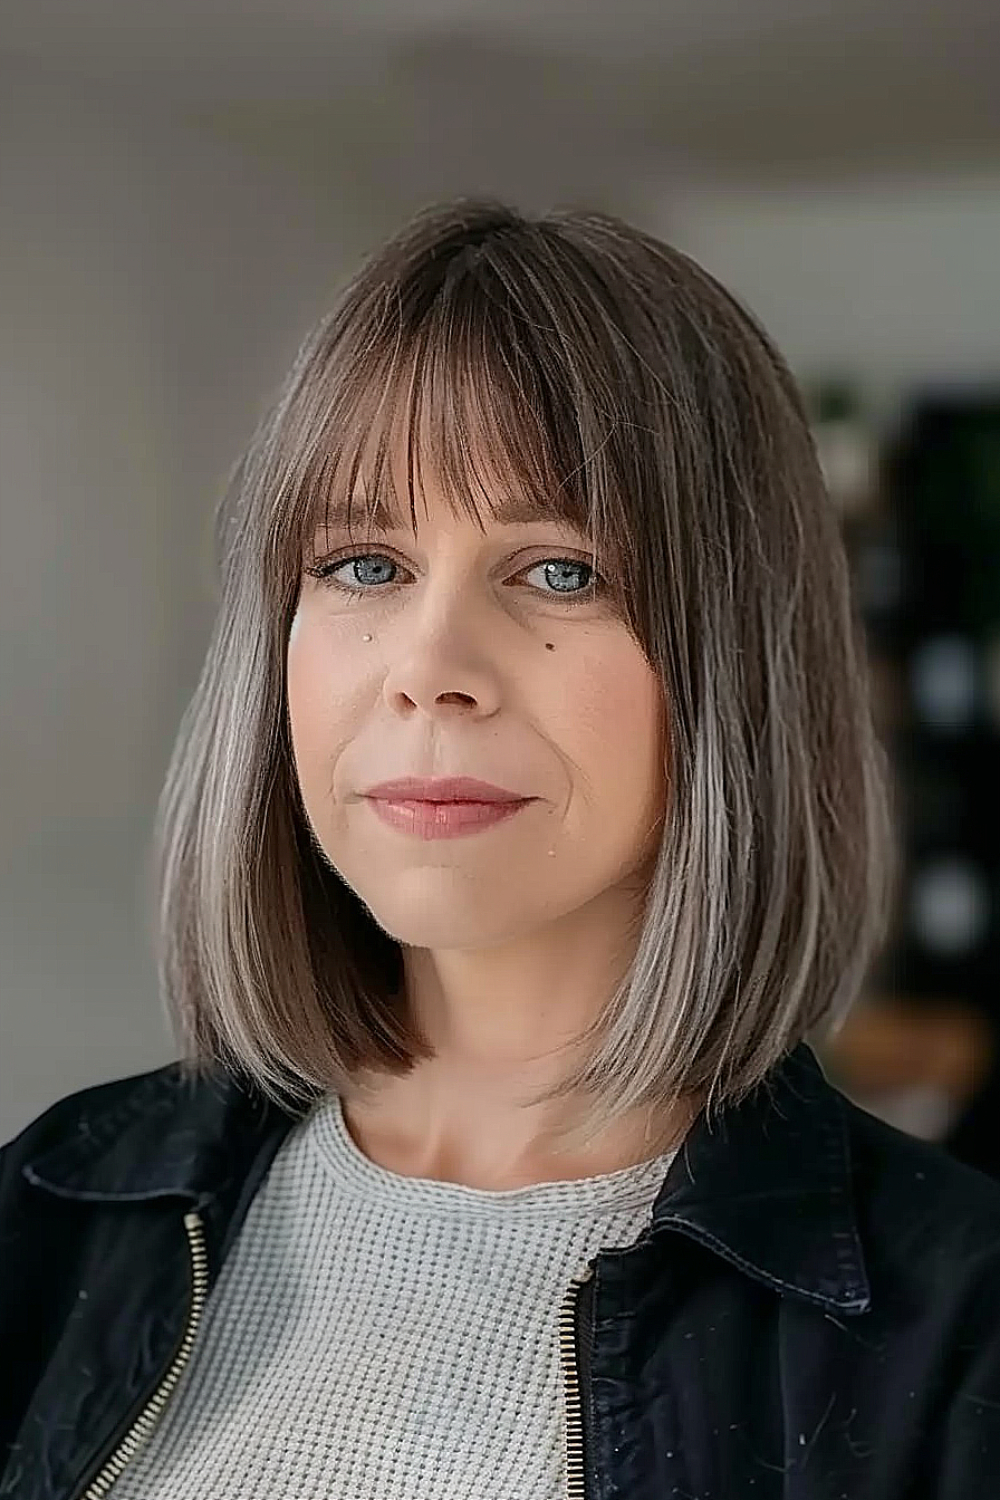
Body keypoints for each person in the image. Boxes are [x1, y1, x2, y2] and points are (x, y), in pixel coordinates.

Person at [2, 198, 999, 1500]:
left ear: (738, 665)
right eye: (364, 564)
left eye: (560, 571)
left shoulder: (959, 1329)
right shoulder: (58, 1202)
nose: (431, 672)